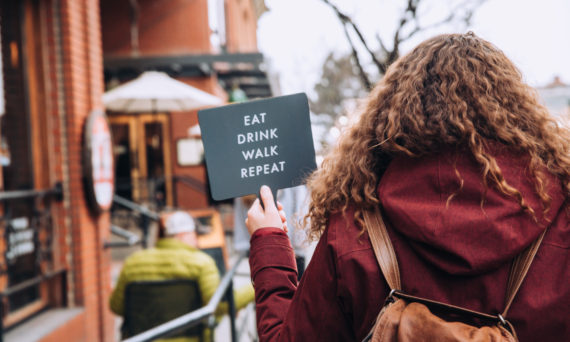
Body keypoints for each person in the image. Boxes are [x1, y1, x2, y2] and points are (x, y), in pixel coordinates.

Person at [245, 33, 570, 341]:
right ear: (517, 113)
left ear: (393, 115)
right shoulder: (561, 220)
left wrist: (269, 240)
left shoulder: (354, 229)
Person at [110, 211, 254, 341]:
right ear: (183, 235)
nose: (197, 241)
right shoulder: (201, 263)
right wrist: (257, 286)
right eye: (194, 235)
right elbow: (222, 305)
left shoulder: (133, 262)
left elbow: (116, 306)